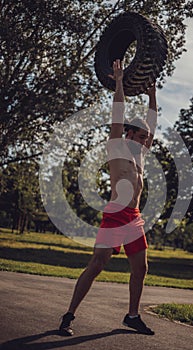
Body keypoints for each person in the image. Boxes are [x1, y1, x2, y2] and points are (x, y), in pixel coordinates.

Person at [59, 59, 157, 336]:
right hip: (115, 214)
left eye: (145, 137)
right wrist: (118, 81)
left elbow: (152, 121)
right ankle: (68, 315)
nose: (144, 140)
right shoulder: (116, 146)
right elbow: (119, 112)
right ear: (128, 133)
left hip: (134, 217)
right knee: (97, 264)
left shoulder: (140, 154)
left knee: (141, 268)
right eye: (140, 136)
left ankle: (132, 316)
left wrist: (152, 96)